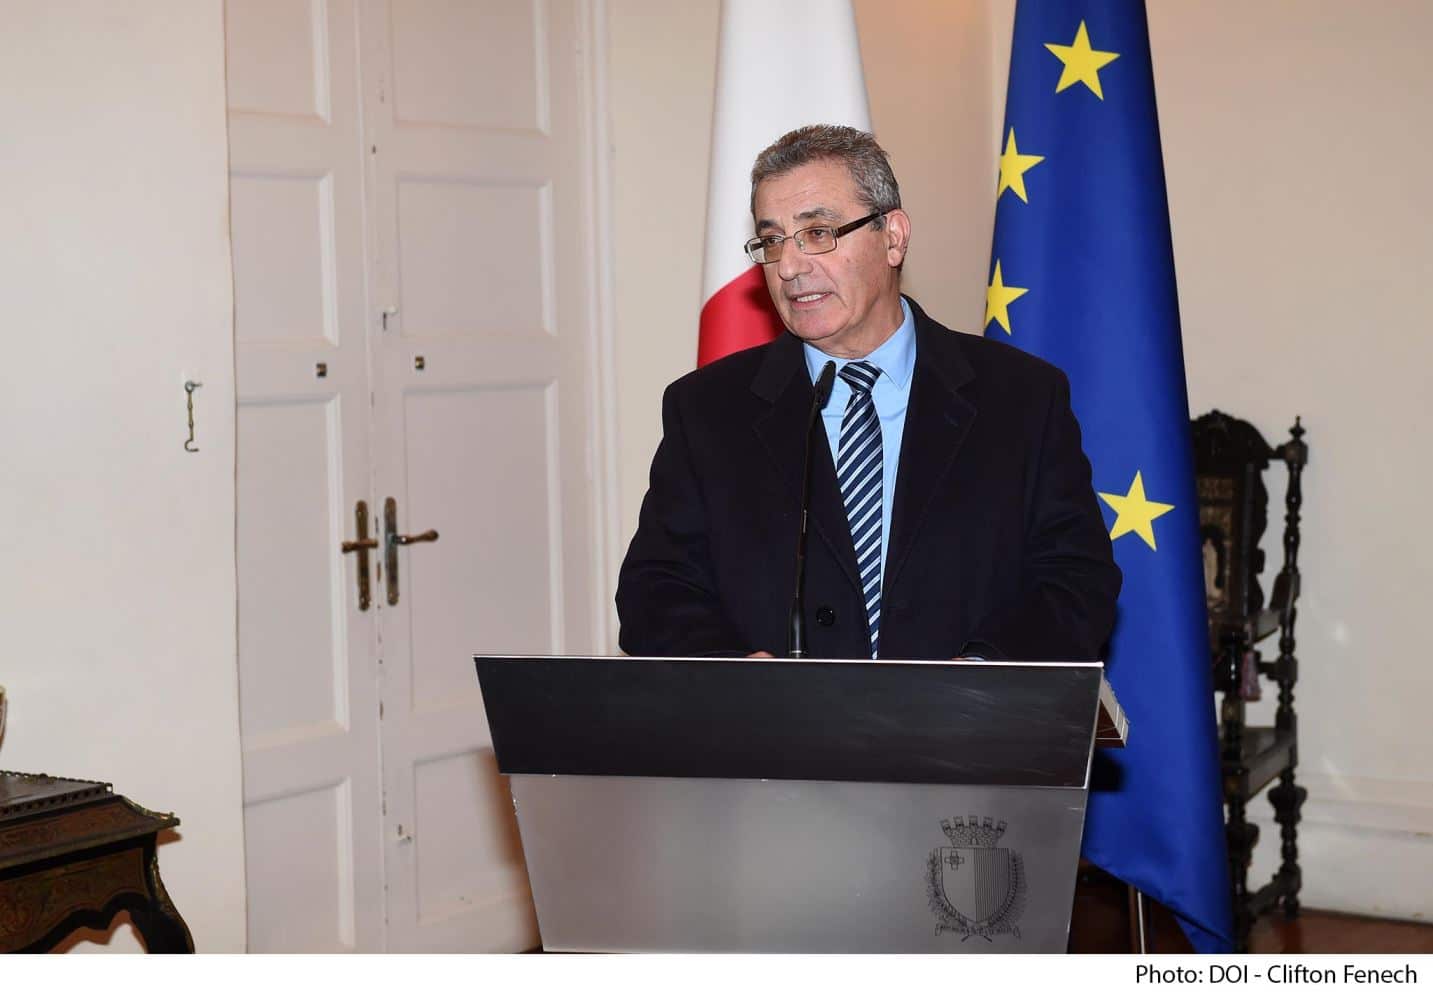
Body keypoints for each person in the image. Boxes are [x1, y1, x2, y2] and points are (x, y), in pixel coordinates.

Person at [616, 125, 1119, 661]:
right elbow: (655, 592)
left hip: (968, 714)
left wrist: (980, 676)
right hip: (774, 717)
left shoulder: (1020, 397)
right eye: (772, 240)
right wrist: (736, 674)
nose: (789, 267)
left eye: (818, 233)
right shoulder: (709, 410)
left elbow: (1076, 580)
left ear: (893, 236)